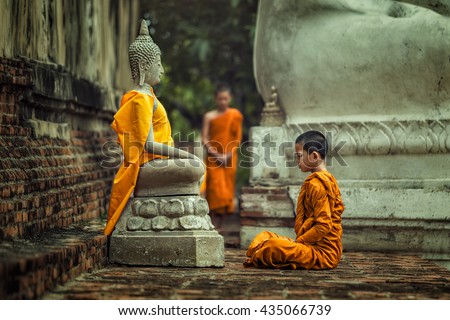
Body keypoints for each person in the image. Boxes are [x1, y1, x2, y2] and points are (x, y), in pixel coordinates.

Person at [104, 20, 201, 236]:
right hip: (148, 164)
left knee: (196, 166)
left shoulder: (148, 97)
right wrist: (186, 154)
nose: (163, 70)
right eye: (159, 64)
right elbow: (148, 144)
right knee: (195, 167)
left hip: (155, 163)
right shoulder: (140, 98)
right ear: (143, 67)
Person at [244, 130, 344, 269]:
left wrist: (299, 242)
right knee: (264, 236)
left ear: (314, 156)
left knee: (273, 246)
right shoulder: (321, 180)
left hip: (323, 254)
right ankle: (260, 252)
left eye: (299, 156)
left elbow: (324, 226)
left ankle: (260, 253)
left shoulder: (318, 184)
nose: (297, 161)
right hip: (308, 246)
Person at [201, 84, 243, 229]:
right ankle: (211, 222)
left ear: (230, 99)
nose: (223, 102)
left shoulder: (235, 115)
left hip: (229, 158)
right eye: (220, 99)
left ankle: (221, 226)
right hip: (213, 158)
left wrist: (227, 155)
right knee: (213, 190)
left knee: (226, 191)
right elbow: (204, 139)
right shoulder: (209, 116)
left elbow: (237, 138)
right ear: (216, 99)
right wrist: (217, 154)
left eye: (225, 99)